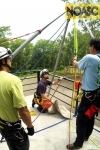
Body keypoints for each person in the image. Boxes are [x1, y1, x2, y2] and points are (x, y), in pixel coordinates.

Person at [67, 38, 100, 149]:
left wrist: (74, 60)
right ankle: (86, 136)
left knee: (81, 119)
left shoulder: (90, 58)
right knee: (90, 116)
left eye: (90, 47)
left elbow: (77, 65)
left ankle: (78, 143)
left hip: (88, 96)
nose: (89, 49)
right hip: (97, 95)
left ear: (93, 46)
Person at [0, 47, 34, 150]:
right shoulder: (13, 80)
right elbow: (23, 111)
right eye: (9, 59)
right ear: (3, 61)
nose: (10, 62)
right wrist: (30, 127)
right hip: (14, 130)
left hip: (3, 126)